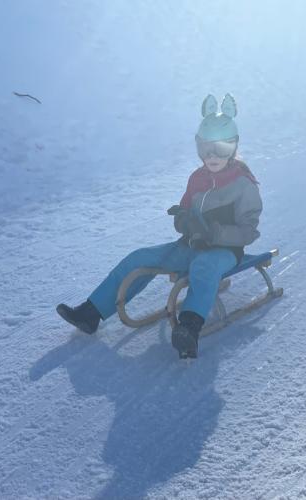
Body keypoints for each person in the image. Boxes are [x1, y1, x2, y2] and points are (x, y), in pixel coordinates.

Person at [56, 93, 263, 359]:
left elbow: (249, 230)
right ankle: (91, 312)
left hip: (224, 251)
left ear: (233, 148)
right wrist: (183, 220)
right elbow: (184, 211)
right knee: (141, 257)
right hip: (190, 245)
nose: (213, 156)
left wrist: (215, 233)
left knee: (204, 267)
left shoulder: (243, 184)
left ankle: (189, 327)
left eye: (221, 149)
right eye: (206, 149)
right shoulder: (197, 178)